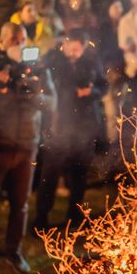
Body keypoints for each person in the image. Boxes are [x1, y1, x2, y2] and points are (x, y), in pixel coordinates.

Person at [0, 22, 56, 273]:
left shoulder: (36, 69)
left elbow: (51, 103)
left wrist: (33, 95)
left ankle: (14, 251)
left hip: (26, 146)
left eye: (23, 39)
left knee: (21, 204)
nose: (19, 44)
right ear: (1, 42)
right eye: (13, 39)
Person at [33, 29, 106, 229]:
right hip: (58, 125)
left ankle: (75, 217)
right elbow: (42, 84)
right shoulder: (53, 60)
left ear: (83, 47)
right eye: (70, 48)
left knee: (79, 174)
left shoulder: (91, 61)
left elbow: (103, 85)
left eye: (77, 49)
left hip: (85, 126)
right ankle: (41, 219)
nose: (73, 53)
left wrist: (92, 92)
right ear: (64, 44)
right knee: (49, 175)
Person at [98, 0, 125, 143]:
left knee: (121, 105)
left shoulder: (127, 24)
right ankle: (111, 139)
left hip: (124, 71)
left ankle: (122, 139)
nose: (117, 11)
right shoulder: (104, 28)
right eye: (114, 7)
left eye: (120, 8)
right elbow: (101, 50)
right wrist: (107, 68)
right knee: (109, 106)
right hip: (107, 71)